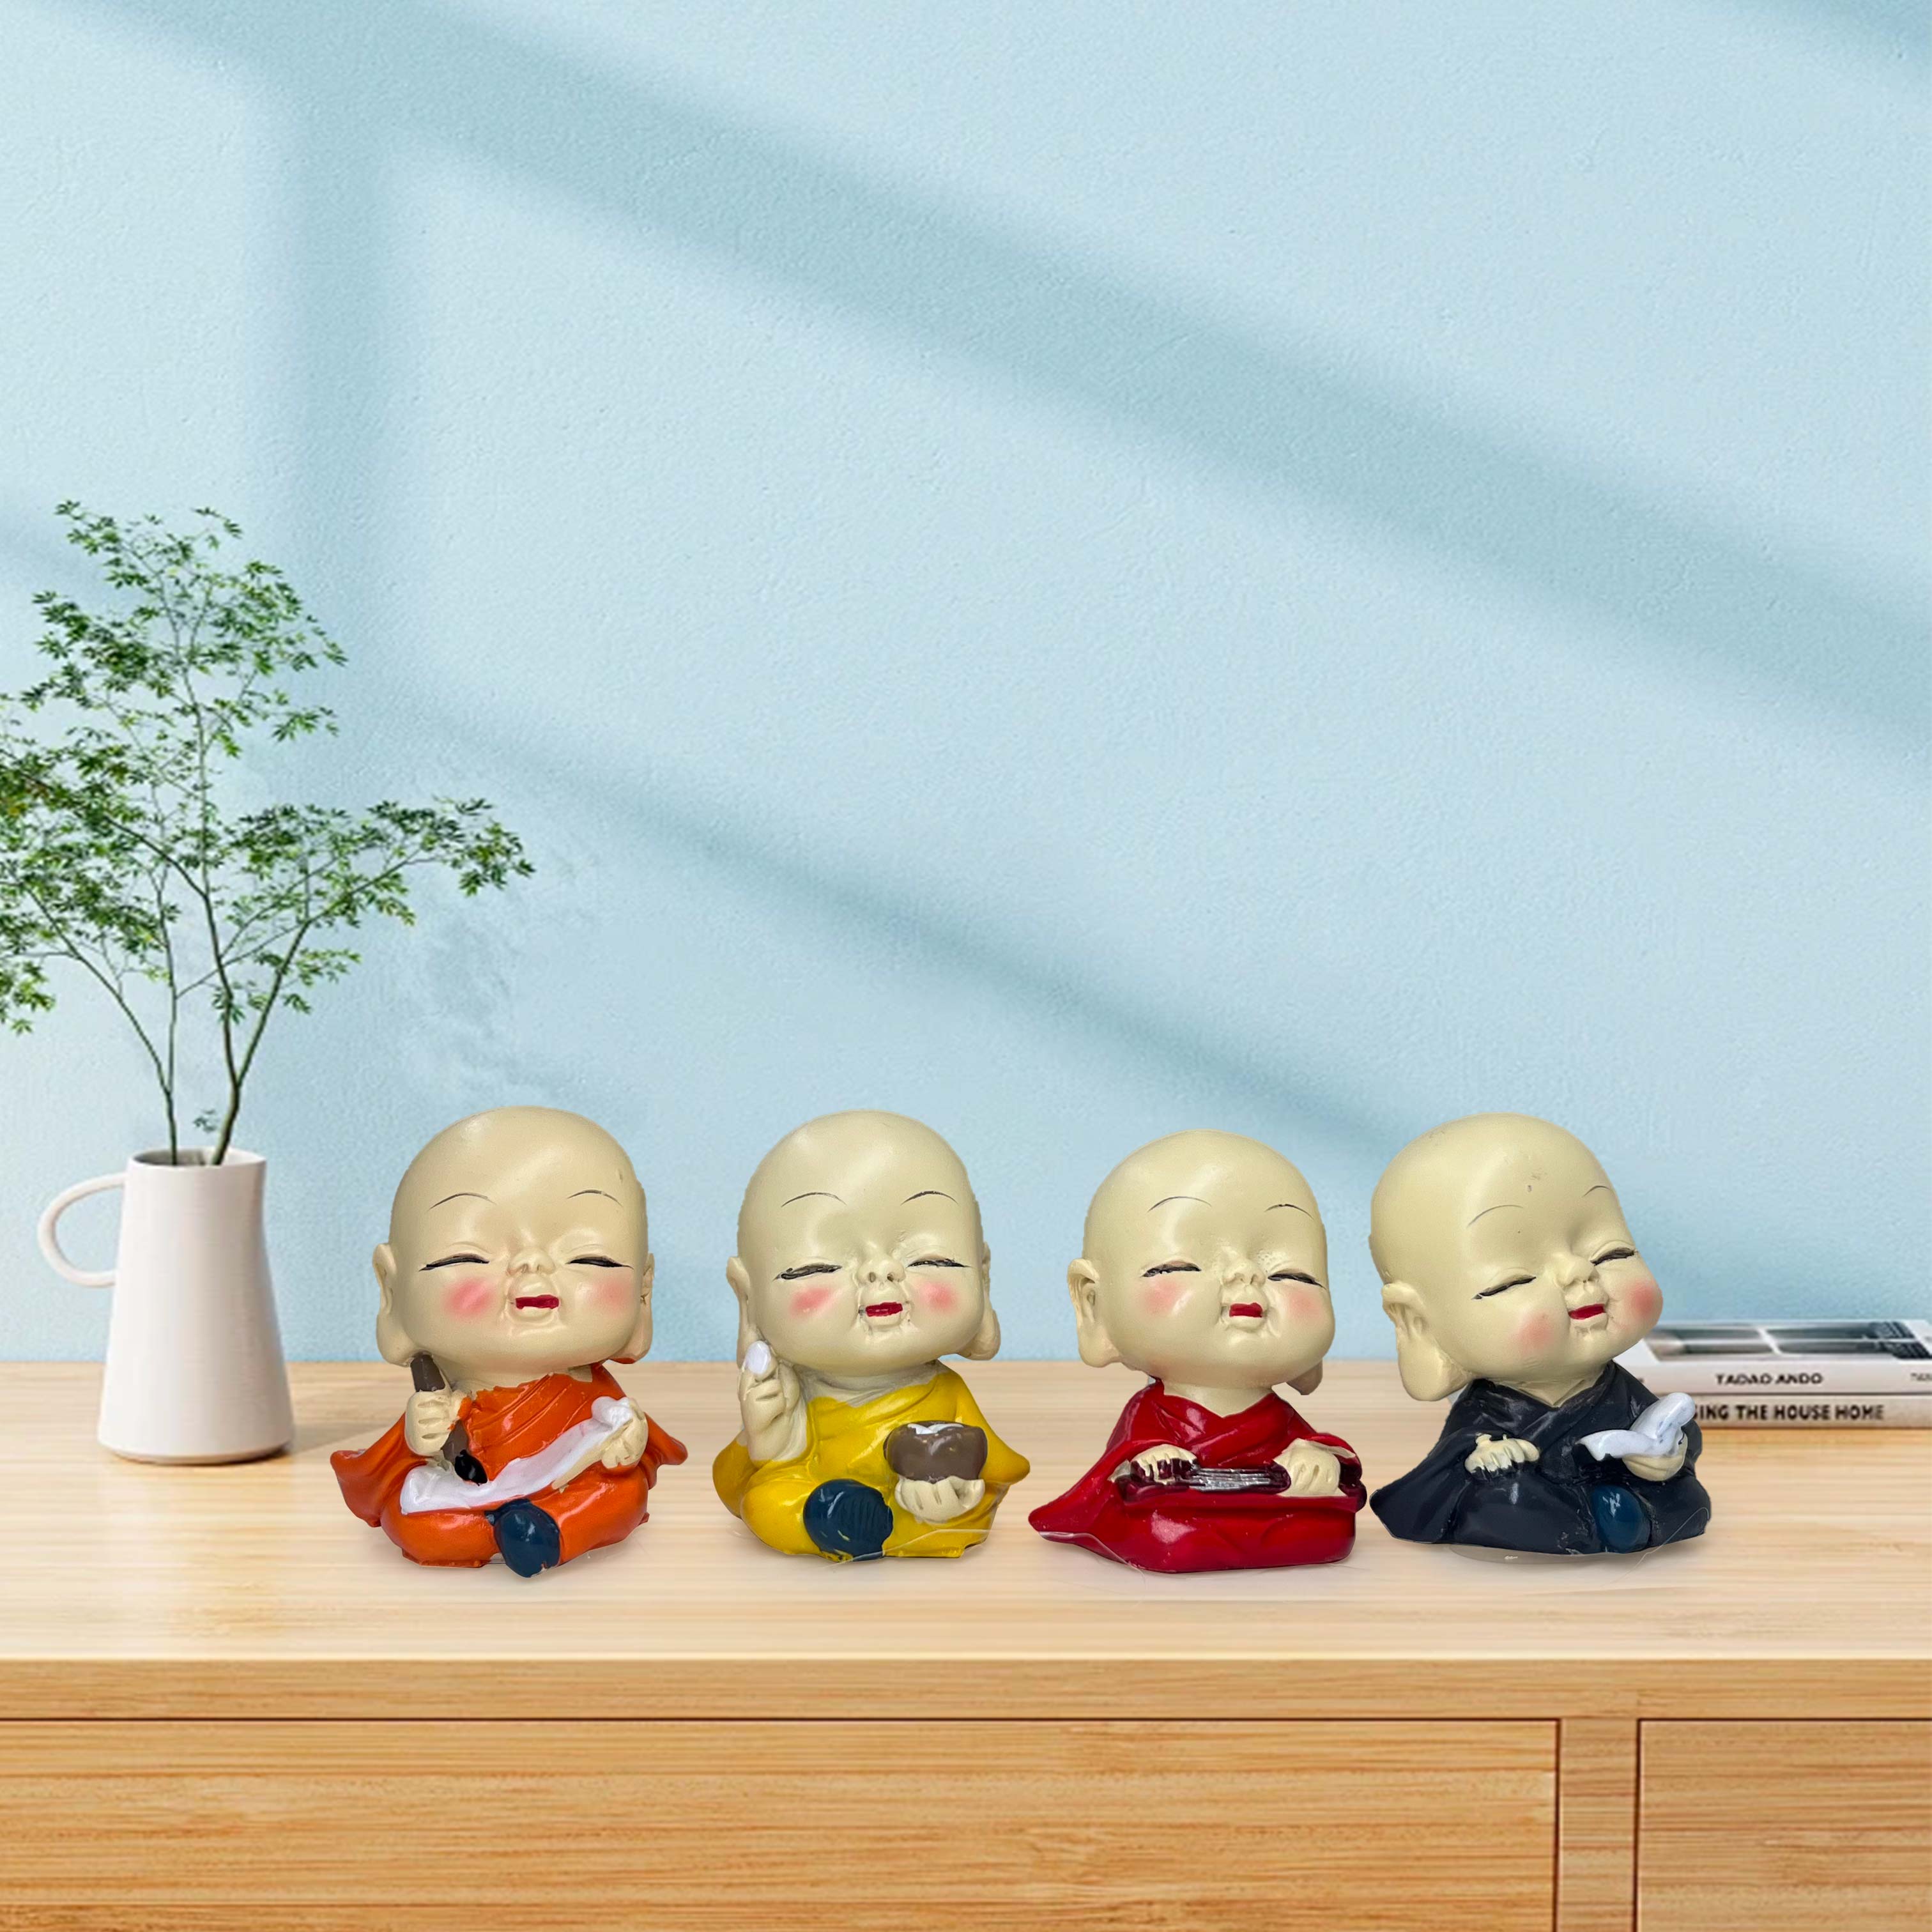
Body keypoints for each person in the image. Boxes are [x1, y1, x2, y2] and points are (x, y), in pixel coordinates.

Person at [332, 1107, 686, 1575]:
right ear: (392, 1292)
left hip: (573, 1484)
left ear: (643, 1291)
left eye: (589, 1258)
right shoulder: (445, 1393)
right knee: (413, 1519)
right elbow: (412, 1457)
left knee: (622, 1493)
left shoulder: (591, 1391)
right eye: (469, 1256)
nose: (532, 1265)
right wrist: (421, 1437)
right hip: (470, 1489)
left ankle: (547, 1533)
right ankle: (506, 1530)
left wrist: (626, 1445)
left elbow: (623, 1434)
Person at [1367, 1112, 1710, 1555]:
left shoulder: (1619, 1390)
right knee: (1505, 1501)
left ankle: (1617, 1518)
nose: (1579, 1272)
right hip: (1534, 1495)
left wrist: (1670, 1455)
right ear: (1421, 1323)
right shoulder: (1491, 1408)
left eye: (1611, 1253)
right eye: (1515, 1281)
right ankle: (1601, 1523)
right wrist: (1487, 1456)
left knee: (1686, 1498)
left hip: (1625, 1483)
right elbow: (1458, 1453)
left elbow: (1665, 1425)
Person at [1029, 1130, 1364, 1573]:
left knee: (1325, 1529)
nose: (1246, 1275)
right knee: (1169, 1532)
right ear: (1095, 1305)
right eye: (1181, 1265)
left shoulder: (1279, 1420)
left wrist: (1315, 1458)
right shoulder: (1154, 1415)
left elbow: (1314, 1447)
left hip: (1274, 1511)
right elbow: (1122, 1464)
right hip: (1179, 1511)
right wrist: (1150, 1459)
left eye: (1292, 1274)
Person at [712, 1110, 1028, 1561]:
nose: (882, 1271)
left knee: (957, 1514)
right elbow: (731, 1486)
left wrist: (959, 1489)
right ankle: (849, 1523)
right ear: (749, 1299)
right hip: (817, 1494)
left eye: (931, 1259)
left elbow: (995, 1470)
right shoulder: (793, 1394)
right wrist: (767, 1443)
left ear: (982, 1277)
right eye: (818, 1266)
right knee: (766, 1504)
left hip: (923, 1508)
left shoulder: (948, 1395)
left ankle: (892, 1527)